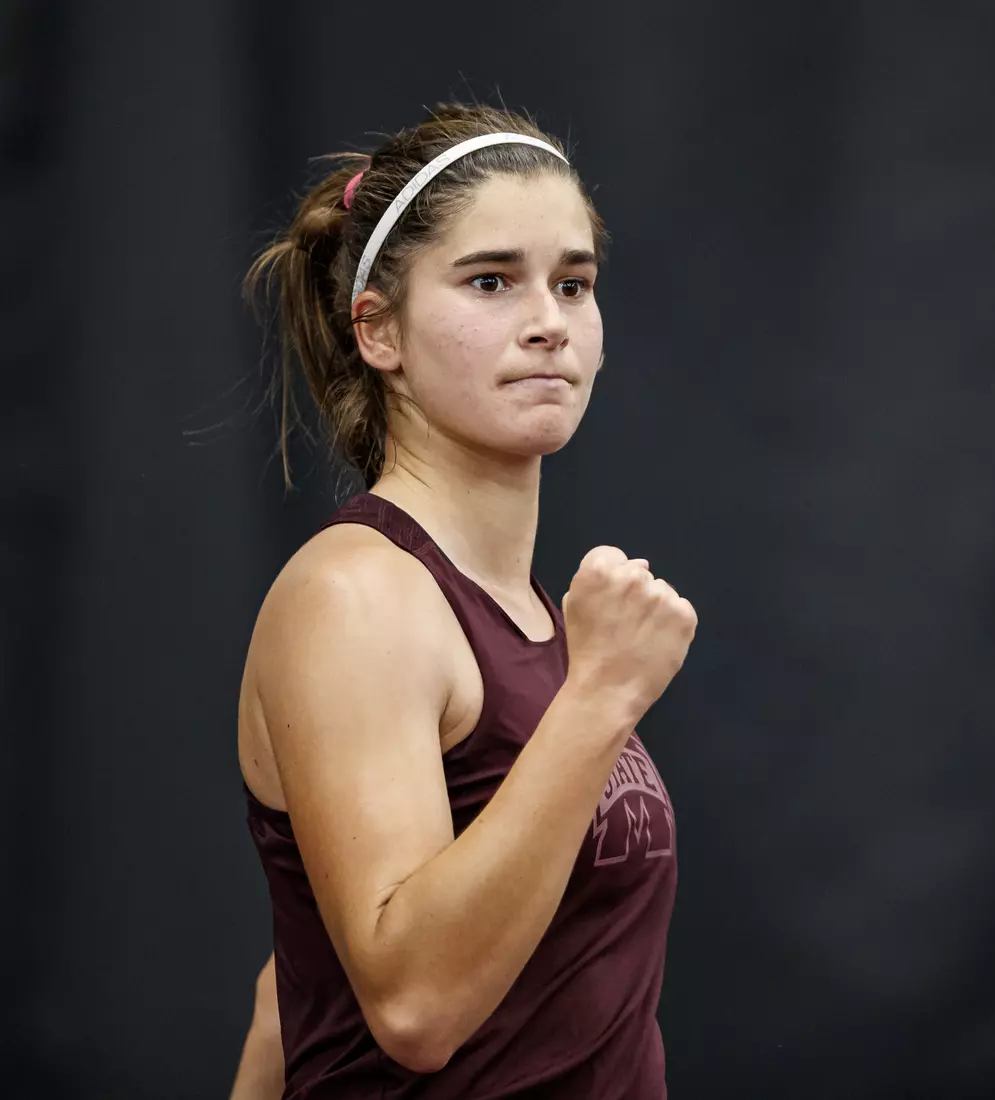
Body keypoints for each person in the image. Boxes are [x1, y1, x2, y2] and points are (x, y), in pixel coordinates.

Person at [230, 102, 695, 1098]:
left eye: (574, 283)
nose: (548, 321)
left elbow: (295, 981)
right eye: (491, 280)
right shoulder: (357, 594)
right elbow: (414, 1006)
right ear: (379, 329)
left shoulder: (525, 610)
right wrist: (601, 695)